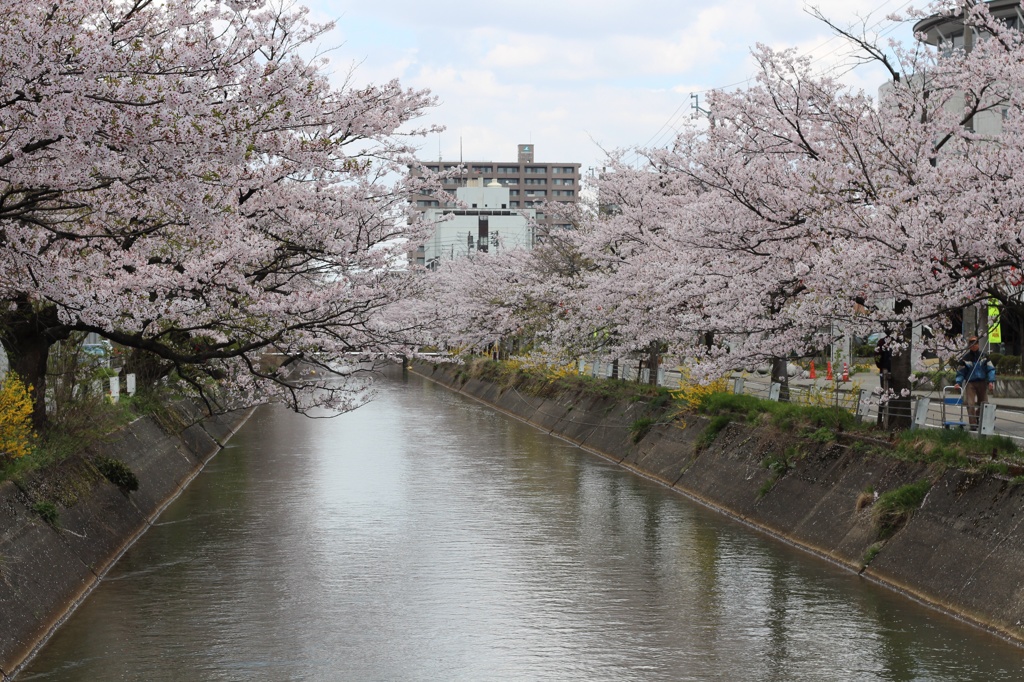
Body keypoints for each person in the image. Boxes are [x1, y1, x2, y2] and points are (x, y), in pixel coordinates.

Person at [954, 336, 997, 429]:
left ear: (978, 344)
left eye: (976, 343)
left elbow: (991, 369)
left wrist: (991, 381)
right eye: (972, 344)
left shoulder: (984, 356)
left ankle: (978, 417)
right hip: (970, 383)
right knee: (970, 404)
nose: (974, 346)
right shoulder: (965, 359)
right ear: (969, 346)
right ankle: (973, 424)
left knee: (984, 403)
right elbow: (960, 372)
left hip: (982, 382)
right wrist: (958, 382)